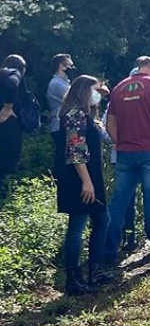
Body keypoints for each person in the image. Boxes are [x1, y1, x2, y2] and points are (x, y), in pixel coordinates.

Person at [104, 56, 150, 268]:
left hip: (125, 153)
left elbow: (109, 123)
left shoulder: (119, 87)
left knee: (118, 203)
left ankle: (108, 252)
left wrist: (119, 142)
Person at [53, 75, 111, 295]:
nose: (98, 95)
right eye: (95, 90)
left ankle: (95, 270)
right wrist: (86, 182)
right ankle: (73, 279)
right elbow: (76, 151)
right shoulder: (74, 115)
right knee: (77, 226)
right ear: (84, 91)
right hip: (79, 179)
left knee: (102, 219)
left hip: (91, 177)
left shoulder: (87, 115)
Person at [0, 55, 28, 187]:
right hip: (8, 124)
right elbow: (12, 84)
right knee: (7, 166)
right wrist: (8, 107)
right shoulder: (13, 73)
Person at [47, 53, 76, 133]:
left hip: (66, 125)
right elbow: (74, 100)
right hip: (60, 126)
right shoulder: (57, 83)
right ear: (61, 66)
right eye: (70, 66)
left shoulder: (65, 83)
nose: (72, 68)